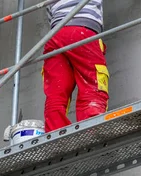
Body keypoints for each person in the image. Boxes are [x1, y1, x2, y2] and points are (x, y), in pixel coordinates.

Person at [43, 0, 109, 132]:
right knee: (92, 84)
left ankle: (56, 136)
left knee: (56, 91)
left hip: (55, 34)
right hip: (83, 29)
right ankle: (92, 131)